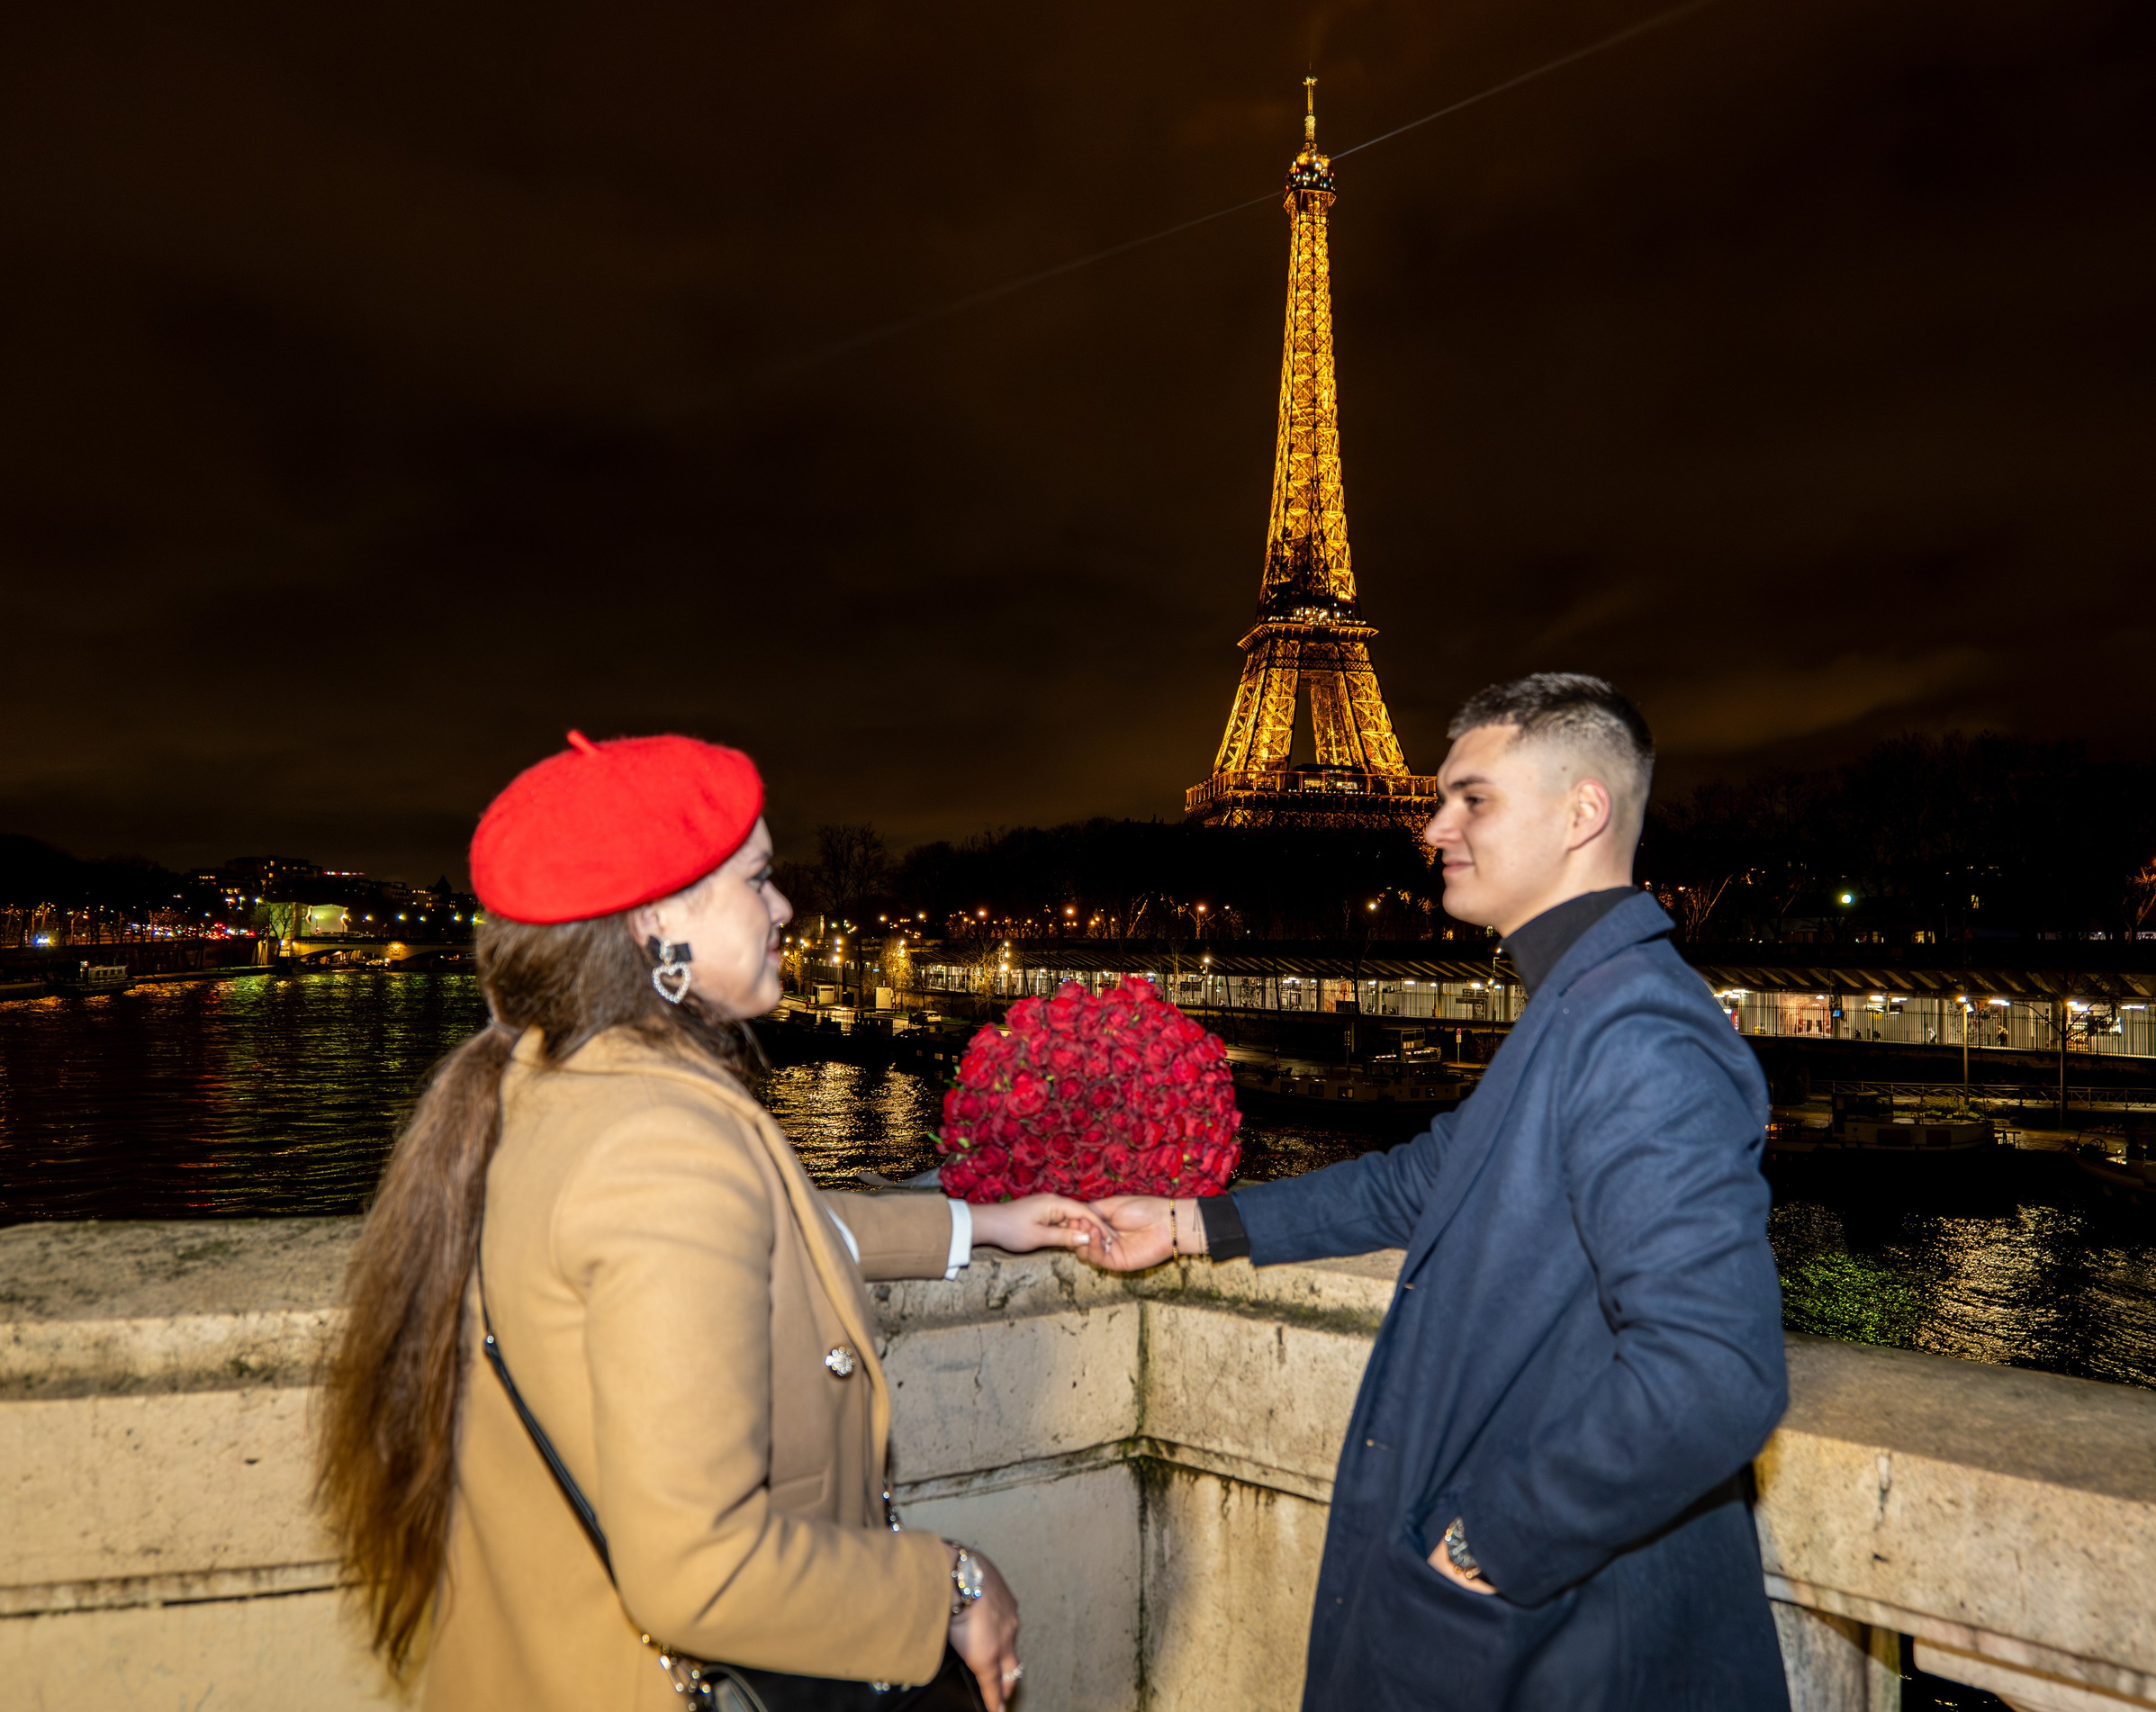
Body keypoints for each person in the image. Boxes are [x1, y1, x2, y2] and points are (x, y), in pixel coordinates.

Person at [317, 731, 1108, 1711]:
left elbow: (767, 1236)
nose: (784, 907)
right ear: (657, 921)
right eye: (760, 878)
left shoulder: (549, 1086)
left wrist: (977, 1224)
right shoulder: (663, 1141)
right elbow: (700, 1569)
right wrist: (950, 1581)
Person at [1088, 674, 1791, 1711]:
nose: (1431, 828)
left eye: (1472, 798)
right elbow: (1426, 1177)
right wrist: (1194, 1221)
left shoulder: (1638, 1035)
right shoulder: (1582, 1006)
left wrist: (1486, 1542)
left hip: (1564, 1637)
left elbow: (1716, 1373)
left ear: (1581, 811)